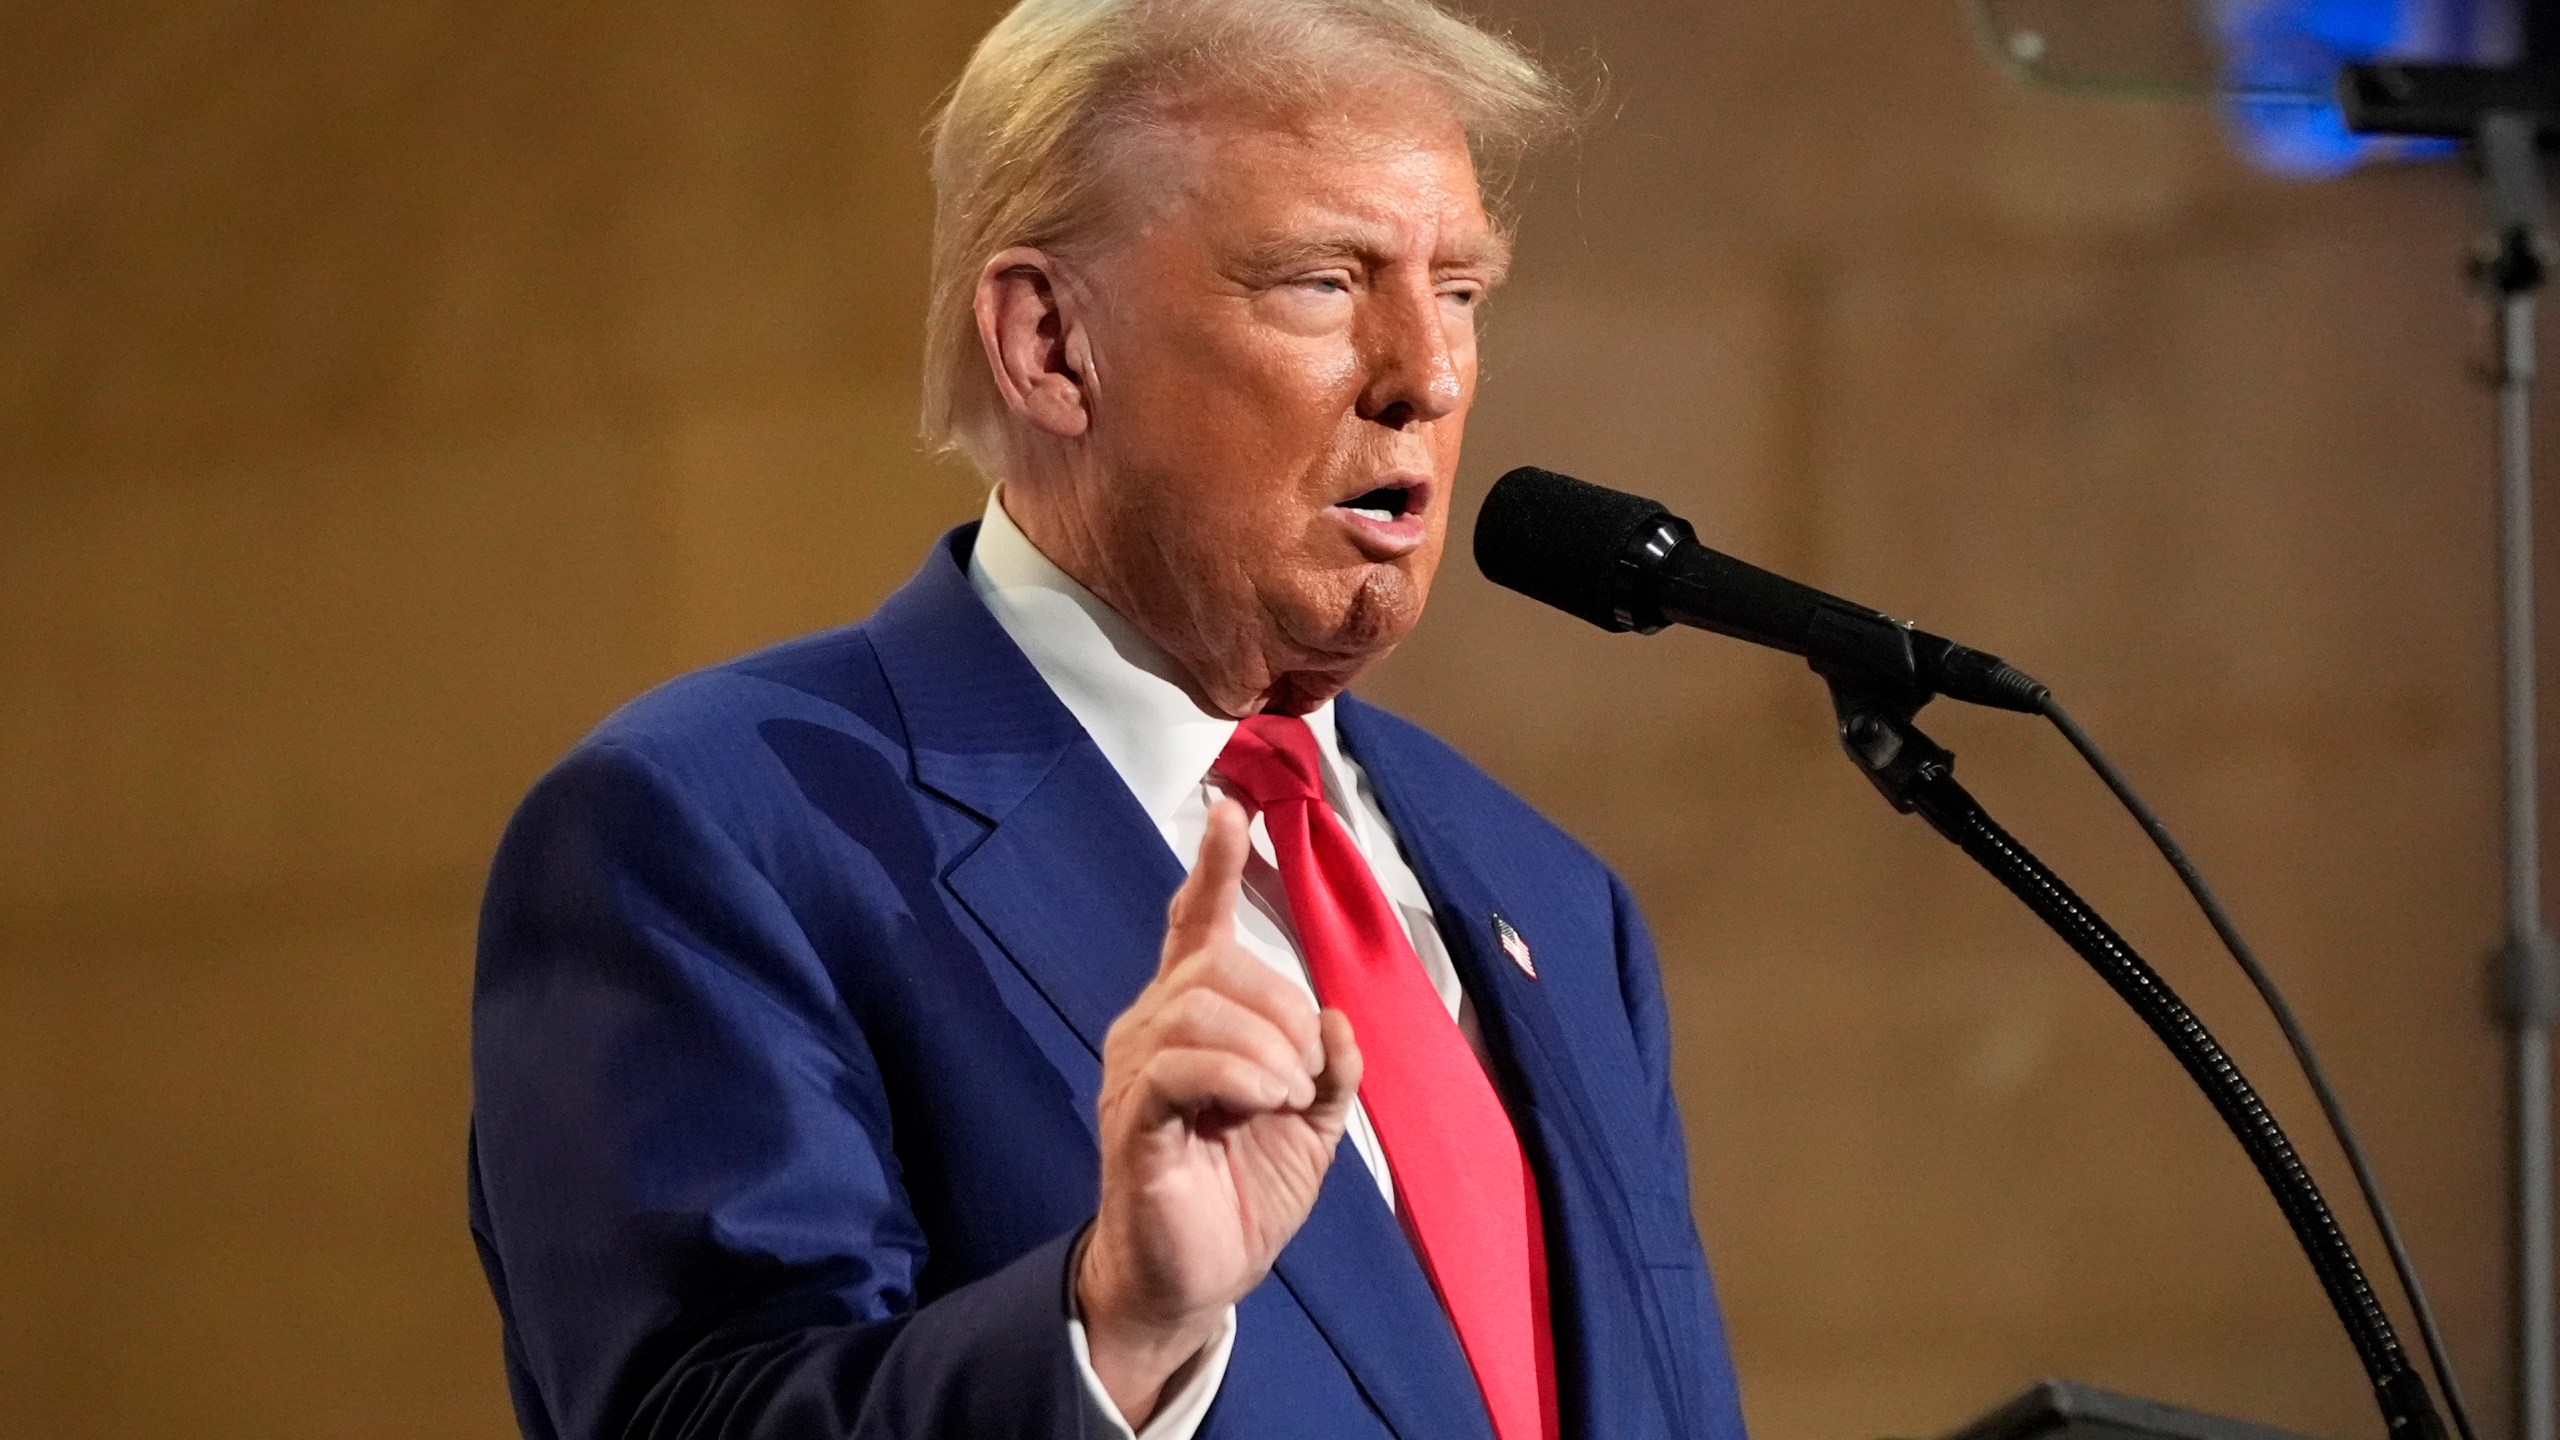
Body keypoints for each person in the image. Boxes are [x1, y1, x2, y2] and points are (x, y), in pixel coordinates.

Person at [467, 1, 1750, 1436]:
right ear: (1051, 343)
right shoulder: (712, 832)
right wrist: (1116, 1328)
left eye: (1459, 289)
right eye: (1324, 282)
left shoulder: (1552, 902)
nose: (1429, 376)